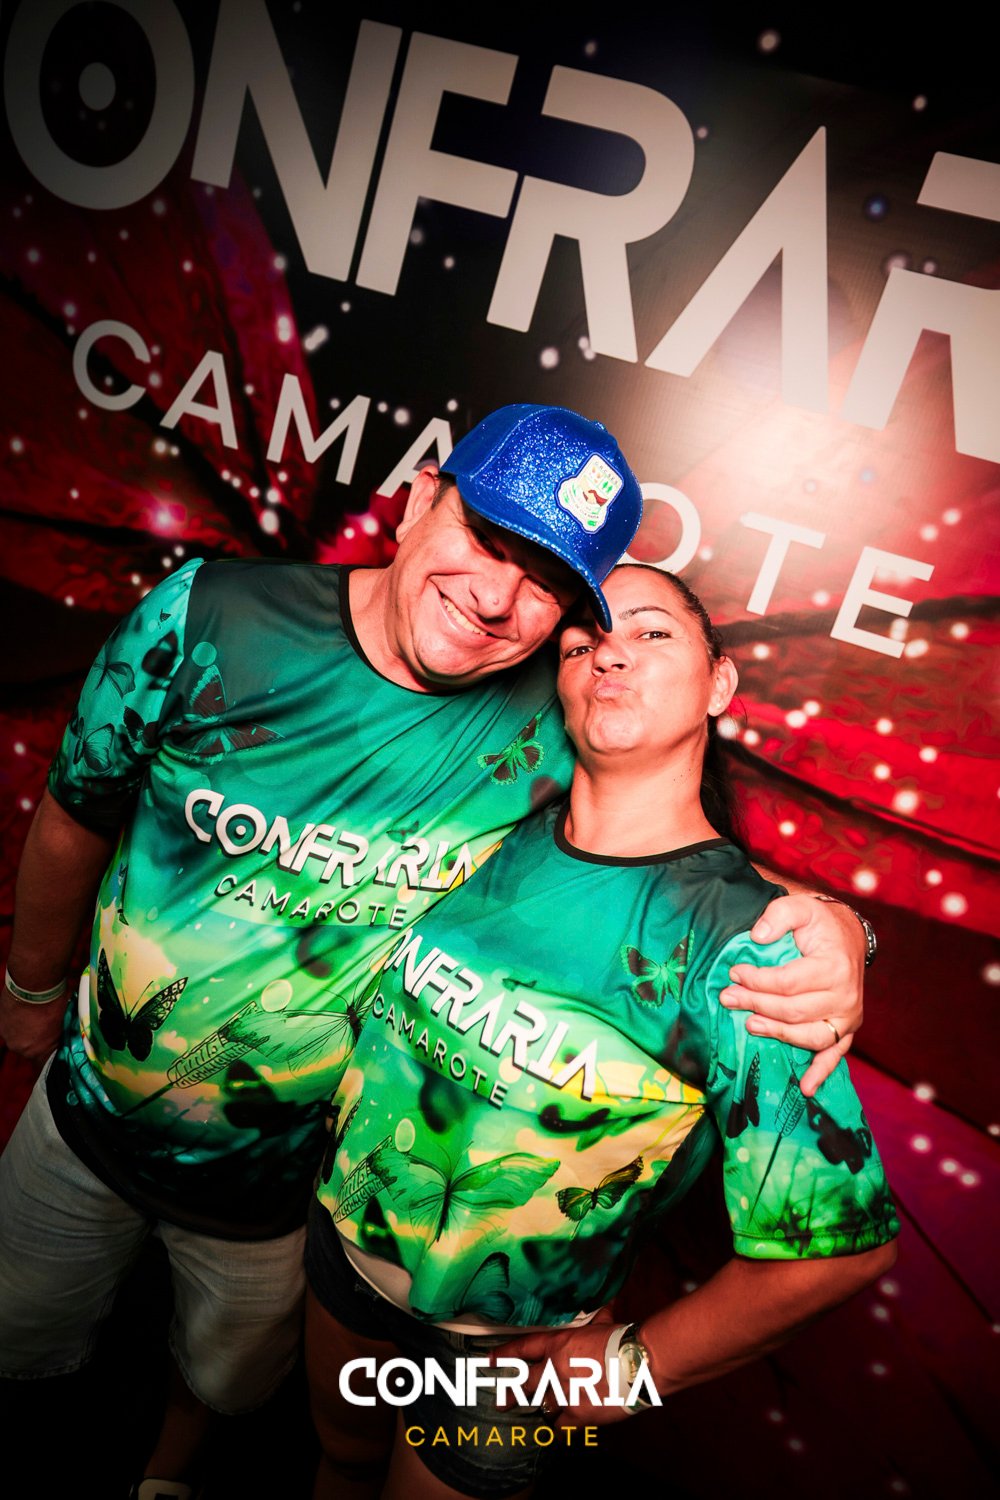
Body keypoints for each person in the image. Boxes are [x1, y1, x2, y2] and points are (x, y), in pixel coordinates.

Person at [0, 407, 867, 1500]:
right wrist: (28, 989)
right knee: (32, 1346)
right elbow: (79, 803)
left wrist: (842, 928)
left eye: (545, 586)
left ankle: (168, 1477)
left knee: (223, 1385)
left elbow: (680, 854)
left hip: (287, 1201)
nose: (498, 599)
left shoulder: (560, 718)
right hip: (96, 1123)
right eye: (487, 539)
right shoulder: (214, 615)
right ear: (417, 501)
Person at [305, 563, 898, 1500]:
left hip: (505, 1357)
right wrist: (850, 922)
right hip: (341, 1262)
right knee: (337, 1463)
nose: (608, 654)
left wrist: (628, 1370)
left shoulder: (753, 949)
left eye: (652, 633)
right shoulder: (486, 825)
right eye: (580, 641)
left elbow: (839, 1246)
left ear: (720, 683)